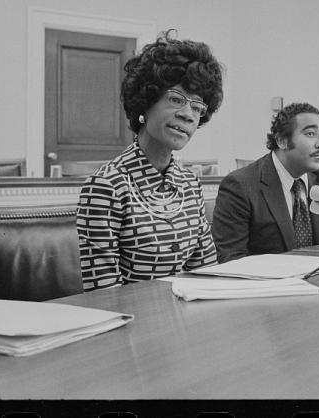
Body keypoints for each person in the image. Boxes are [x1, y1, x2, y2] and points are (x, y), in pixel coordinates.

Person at [76, 31, 224, 291]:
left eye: (198, 108)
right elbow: (105, 294)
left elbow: (207, 274)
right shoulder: (106, 186)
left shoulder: (190, 184)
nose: (188, 115)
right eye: (176, 99)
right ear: (146, 101)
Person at [212, 102, 319, 263]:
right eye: (310, 134)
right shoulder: (240, 186)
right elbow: (231, 259)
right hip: (268, 285)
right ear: (282, 141)